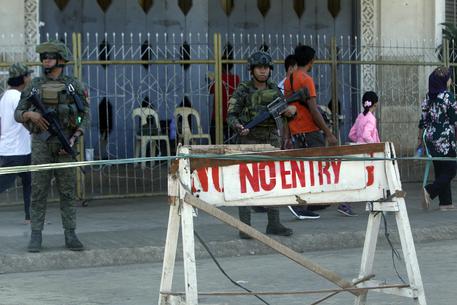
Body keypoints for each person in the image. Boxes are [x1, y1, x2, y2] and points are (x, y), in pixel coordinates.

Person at [14, 40, 89, 252]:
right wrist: (31, 114)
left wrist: (74, 137)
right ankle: (36, 235)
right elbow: (18, 113)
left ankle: (70, 234)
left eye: (49, 56)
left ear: (61, 60)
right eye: (43, 57)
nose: (45, 60)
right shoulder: (34, 85)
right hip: (41, 145)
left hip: (65, 145)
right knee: (38, 190)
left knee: (67, 191)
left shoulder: (73, 85)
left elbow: (85, 116)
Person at [227, 51, 294, 239]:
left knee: (273, 182)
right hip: (249, 139)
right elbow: (231, 115)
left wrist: (290, 112)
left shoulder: (274, 89)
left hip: (271, 140)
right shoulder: (243, 89)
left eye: (266, 68)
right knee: (246, 182)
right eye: (259, 68)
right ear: (252, 70)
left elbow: (286, 114)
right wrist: (238, 126)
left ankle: (274, 223)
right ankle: (245, 226)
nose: (263, 71)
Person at [283, 45, 338, 220]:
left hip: (295, 130)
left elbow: (287, 109)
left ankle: (305, 202)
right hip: (309, 130)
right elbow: (313, 110)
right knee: (316, 168)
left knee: (302, 168)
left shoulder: (288, 80)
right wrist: (328, 132)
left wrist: (286, 134)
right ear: (311, 61)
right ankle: (303, 205)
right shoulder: (306, 80)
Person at [418, 66, 457, 211]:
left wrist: (419, 140)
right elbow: (454, 119)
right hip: (445, 140)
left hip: (431, 139)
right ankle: (430, 190)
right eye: (449, 78)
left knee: (441, 170)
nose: (450, 80)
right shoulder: (448, 97)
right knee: (452, 169)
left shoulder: (429, 97)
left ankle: (445, 203)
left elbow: (422, 120)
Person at [0, 63, 33, 223]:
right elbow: (24, 117)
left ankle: (31, 216)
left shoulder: (6, 96)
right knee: (3, 184)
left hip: (19, 148)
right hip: (15, 151)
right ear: (23, 78)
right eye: (28, 75)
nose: (29, 78)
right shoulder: (16, 97)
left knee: (30, 182)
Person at [343, 91, 381, 216]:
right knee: (373, 177)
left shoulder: (360, 116)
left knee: (358, 178)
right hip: (368, 153)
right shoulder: (371, 118)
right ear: (374, 104)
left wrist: (359, 142)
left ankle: (345, 203)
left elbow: (351, 134)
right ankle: (375, 203)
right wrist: (374, 145)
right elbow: (366, 135)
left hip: (358, 151)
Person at [208, 57, 240, 142]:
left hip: (218, 113)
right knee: (230, 138)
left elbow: (211, 90)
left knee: (214, 137)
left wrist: (211, 80)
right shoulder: (236, 78)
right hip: (231, 112)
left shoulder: (219, 78)